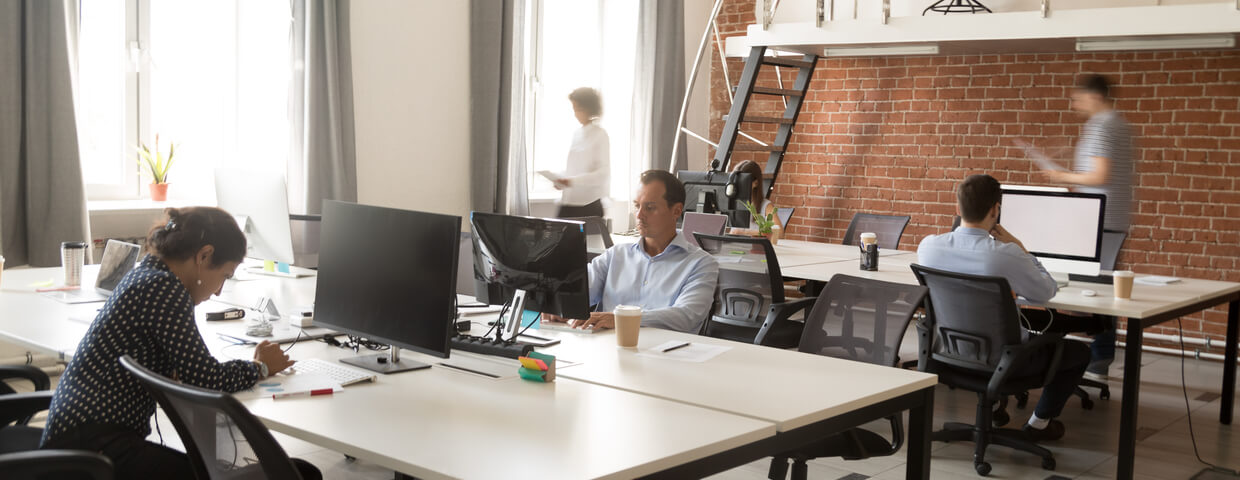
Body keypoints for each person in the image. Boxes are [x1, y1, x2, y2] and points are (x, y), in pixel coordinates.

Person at [41, 207, 318, 479]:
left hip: (81, 439)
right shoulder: (163, 289)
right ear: (204, 255)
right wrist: (259, 368)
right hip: (98, 449)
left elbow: (187, 368)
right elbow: (206, 379)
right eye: (225, 275)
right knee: (300, 473)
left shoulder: (147, 274)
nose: (220, 289)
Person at [918, 174, 1090, 442]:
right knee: (1078, 351)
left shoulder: (928, 248)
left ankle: (997, 405)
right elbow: (1046, 291)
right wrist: (1021, 248)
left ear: (957, 207)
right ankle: (1039, 423)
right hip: (1004, 361)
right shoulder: (1006, 254)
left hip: (948, 353)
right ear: (995, 209)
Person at [1032, 74, 1134, 381]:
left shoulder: (1101, 126)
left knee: (1091, 292)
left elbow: (1100, 175)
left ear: (1094, 96)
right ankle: (1097, 358)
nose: (1074, 104)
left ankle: (1096, 359)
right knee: (1099, 289)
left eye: (1077, 98)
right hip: (1112, 218)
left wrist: (1063, 177)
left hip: (1100, 221)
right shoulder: (1120, 125)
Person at [544, 170, 719, 333]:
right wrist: (558, 306)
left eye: (650, 208)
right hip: (607, 350)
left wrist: (622, 319)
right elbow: (575, 292)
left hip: (663, 356)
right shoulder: (616, 255)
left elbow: (686, 316)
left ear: (676, 211)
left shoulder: (701, 263)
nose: (639, 215)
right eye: (637, 206)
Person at [553, 87, 610, 218]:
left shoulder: (600, 135)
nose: (575, 114)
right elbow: (573, 168)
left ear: (589, 108)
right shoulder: (576, 134)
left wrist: (572, 181)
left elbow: (602, 174)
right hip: (568, 201)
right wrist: (560, 180)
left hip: (588, 204)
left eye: (578, 109)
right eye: (574, 109)